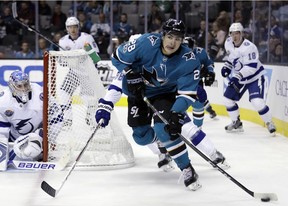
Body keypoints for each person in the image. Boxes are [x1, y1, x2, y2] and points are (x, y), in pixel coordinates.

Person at [95, 19, 227, 190]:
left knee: (164, 128)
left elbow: (187, 95)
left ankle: (187, 168)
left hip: (165, 94)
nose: (173, 42)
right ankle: (161, 142)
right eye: (170, 36)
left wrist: (176, 113)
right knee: (140, 137)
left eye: (178, 38)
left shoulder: (189, 59)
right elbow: (116, 59)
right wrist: (128, 74)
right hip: (138, 94)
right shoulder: (145, 44)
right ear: (163, 35)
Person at [221, 22, 276, 135]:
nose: (234, 36)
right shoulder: (228, 43)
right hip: (240, 78)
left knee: (257, 102)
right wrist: (227, 66)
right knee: (227, 99)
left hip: (254, 77)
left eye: (237, 33)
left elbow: (251, 67)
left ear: (242, 34)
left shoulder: (249, 47)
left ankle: (269, 122)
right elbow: (232, 58)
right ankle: (236, 123)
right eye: (232, 33)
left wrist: (237, 76)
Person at [58, 16, 100, 128]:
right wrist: (66, 60)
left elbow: (96, 58)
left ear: (78, 27)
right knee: (63, 92)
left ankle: (91, 117)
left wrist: (84, 56)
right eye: (70, 27)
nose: (72, 30)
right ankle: (67, 119)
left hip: (87, 73)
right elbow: (61, 63)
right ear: (66, 28)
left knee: (88, 98)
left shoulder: (87, 38)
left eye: (75, 27)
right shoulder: (63, 41)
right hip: (74, 72)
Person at [0, 71, 43, 170]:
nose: (23, 89)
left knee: (32, 149)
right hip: (14, 139)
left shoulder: (40, 94)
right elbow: (2, 131)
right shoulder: (3, 101)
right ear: (11, 86)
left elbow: (55, 120)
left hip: (37, 136)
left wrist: (42, 135)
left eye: (26, 85)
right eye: (19, 86)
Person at [183, 37, 217, 123]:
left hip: (196, 82)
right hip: (181, 83)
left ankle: (197, 126)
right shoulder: (176, 53)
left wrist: (210, 73)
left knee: (200, 99)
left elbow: (209, 64)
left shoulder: (200, 53)